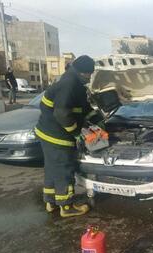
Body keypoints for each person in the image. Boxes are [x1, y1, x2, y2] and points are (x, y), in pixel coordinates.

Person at [35, 55, 96, 218]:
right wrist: (76, 133)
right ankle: (66, 207)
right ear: (83, 72)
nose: (89, 78)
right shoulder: (69, 84)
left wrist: (94, 116)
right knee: (64, 169)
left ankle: (51, 201)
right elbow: (62, 113)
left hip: (47, 132)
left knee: (52, 168)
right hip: (57, 136)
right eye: (89, 75)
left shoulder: (69, 80)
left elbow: (79, 107)